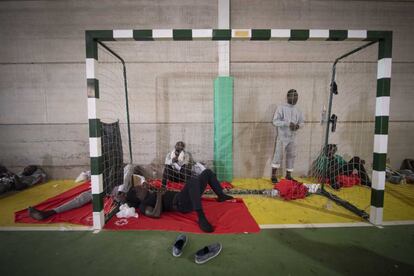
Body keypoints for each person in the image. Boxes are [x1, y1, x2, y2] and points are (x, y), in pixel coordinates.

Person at [137, 167, 233, 233]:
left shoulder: (150, 192)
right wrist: (159, 195)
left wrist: (155, 190)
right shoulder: (143, 205)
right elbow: (155, 214)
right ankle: (201, 217)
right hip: (180, 204)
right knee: (192, 181)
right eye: (138, 189)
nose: (141, 187)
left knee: (207, 172)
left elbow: (157, 191)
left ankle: (221, 195)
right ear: (137, 196)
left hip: (187, 197)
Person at [28, 164, 134, 220]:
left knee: (129, 167)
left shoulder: (131, 173)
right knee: (83, 196)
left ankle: (120, 195)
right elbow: (87, 175)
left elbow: (128, 174)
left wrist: (121, 191)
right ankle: (51, 212)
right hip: (108, 187)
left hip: (120, 191)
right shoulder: (109, 172)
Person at [271, 89, 304, 183]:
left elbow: (302, 122)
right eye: (293, 96)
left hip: (293, 137)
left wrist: (298, 126)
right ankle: (273, 175)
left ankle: (288, 175)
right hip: (282, 137)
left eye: (297, 96)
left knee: (292, 155)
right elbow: (275, 121)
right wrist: (287, 124)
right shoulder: (281, 107)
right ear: (288, 97)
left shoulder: (298, 109)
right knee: (278, 155)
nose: (296, 98)